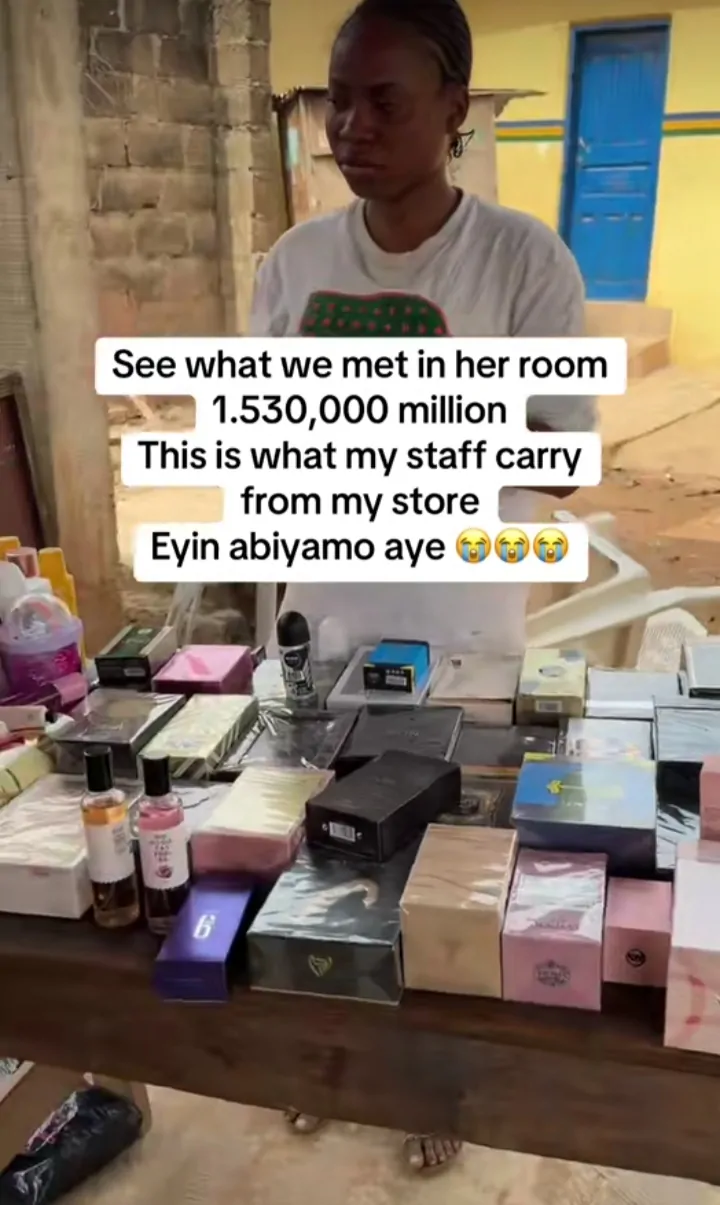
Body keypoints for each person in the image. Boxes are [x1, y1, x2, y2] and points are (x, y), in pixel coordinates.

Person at [249, 0, 596, 1175]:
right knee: (321, 854)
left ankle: (430, 1084)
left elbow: (562, 454)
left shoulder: (523, 260)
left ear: (454, 108)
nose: (351, 125)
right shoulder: (295, 264)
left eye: (383, 100)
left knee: (444, 864)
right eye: (339, 100)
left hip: (461, 632)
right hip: (327, 622)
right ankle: (325, 1053)